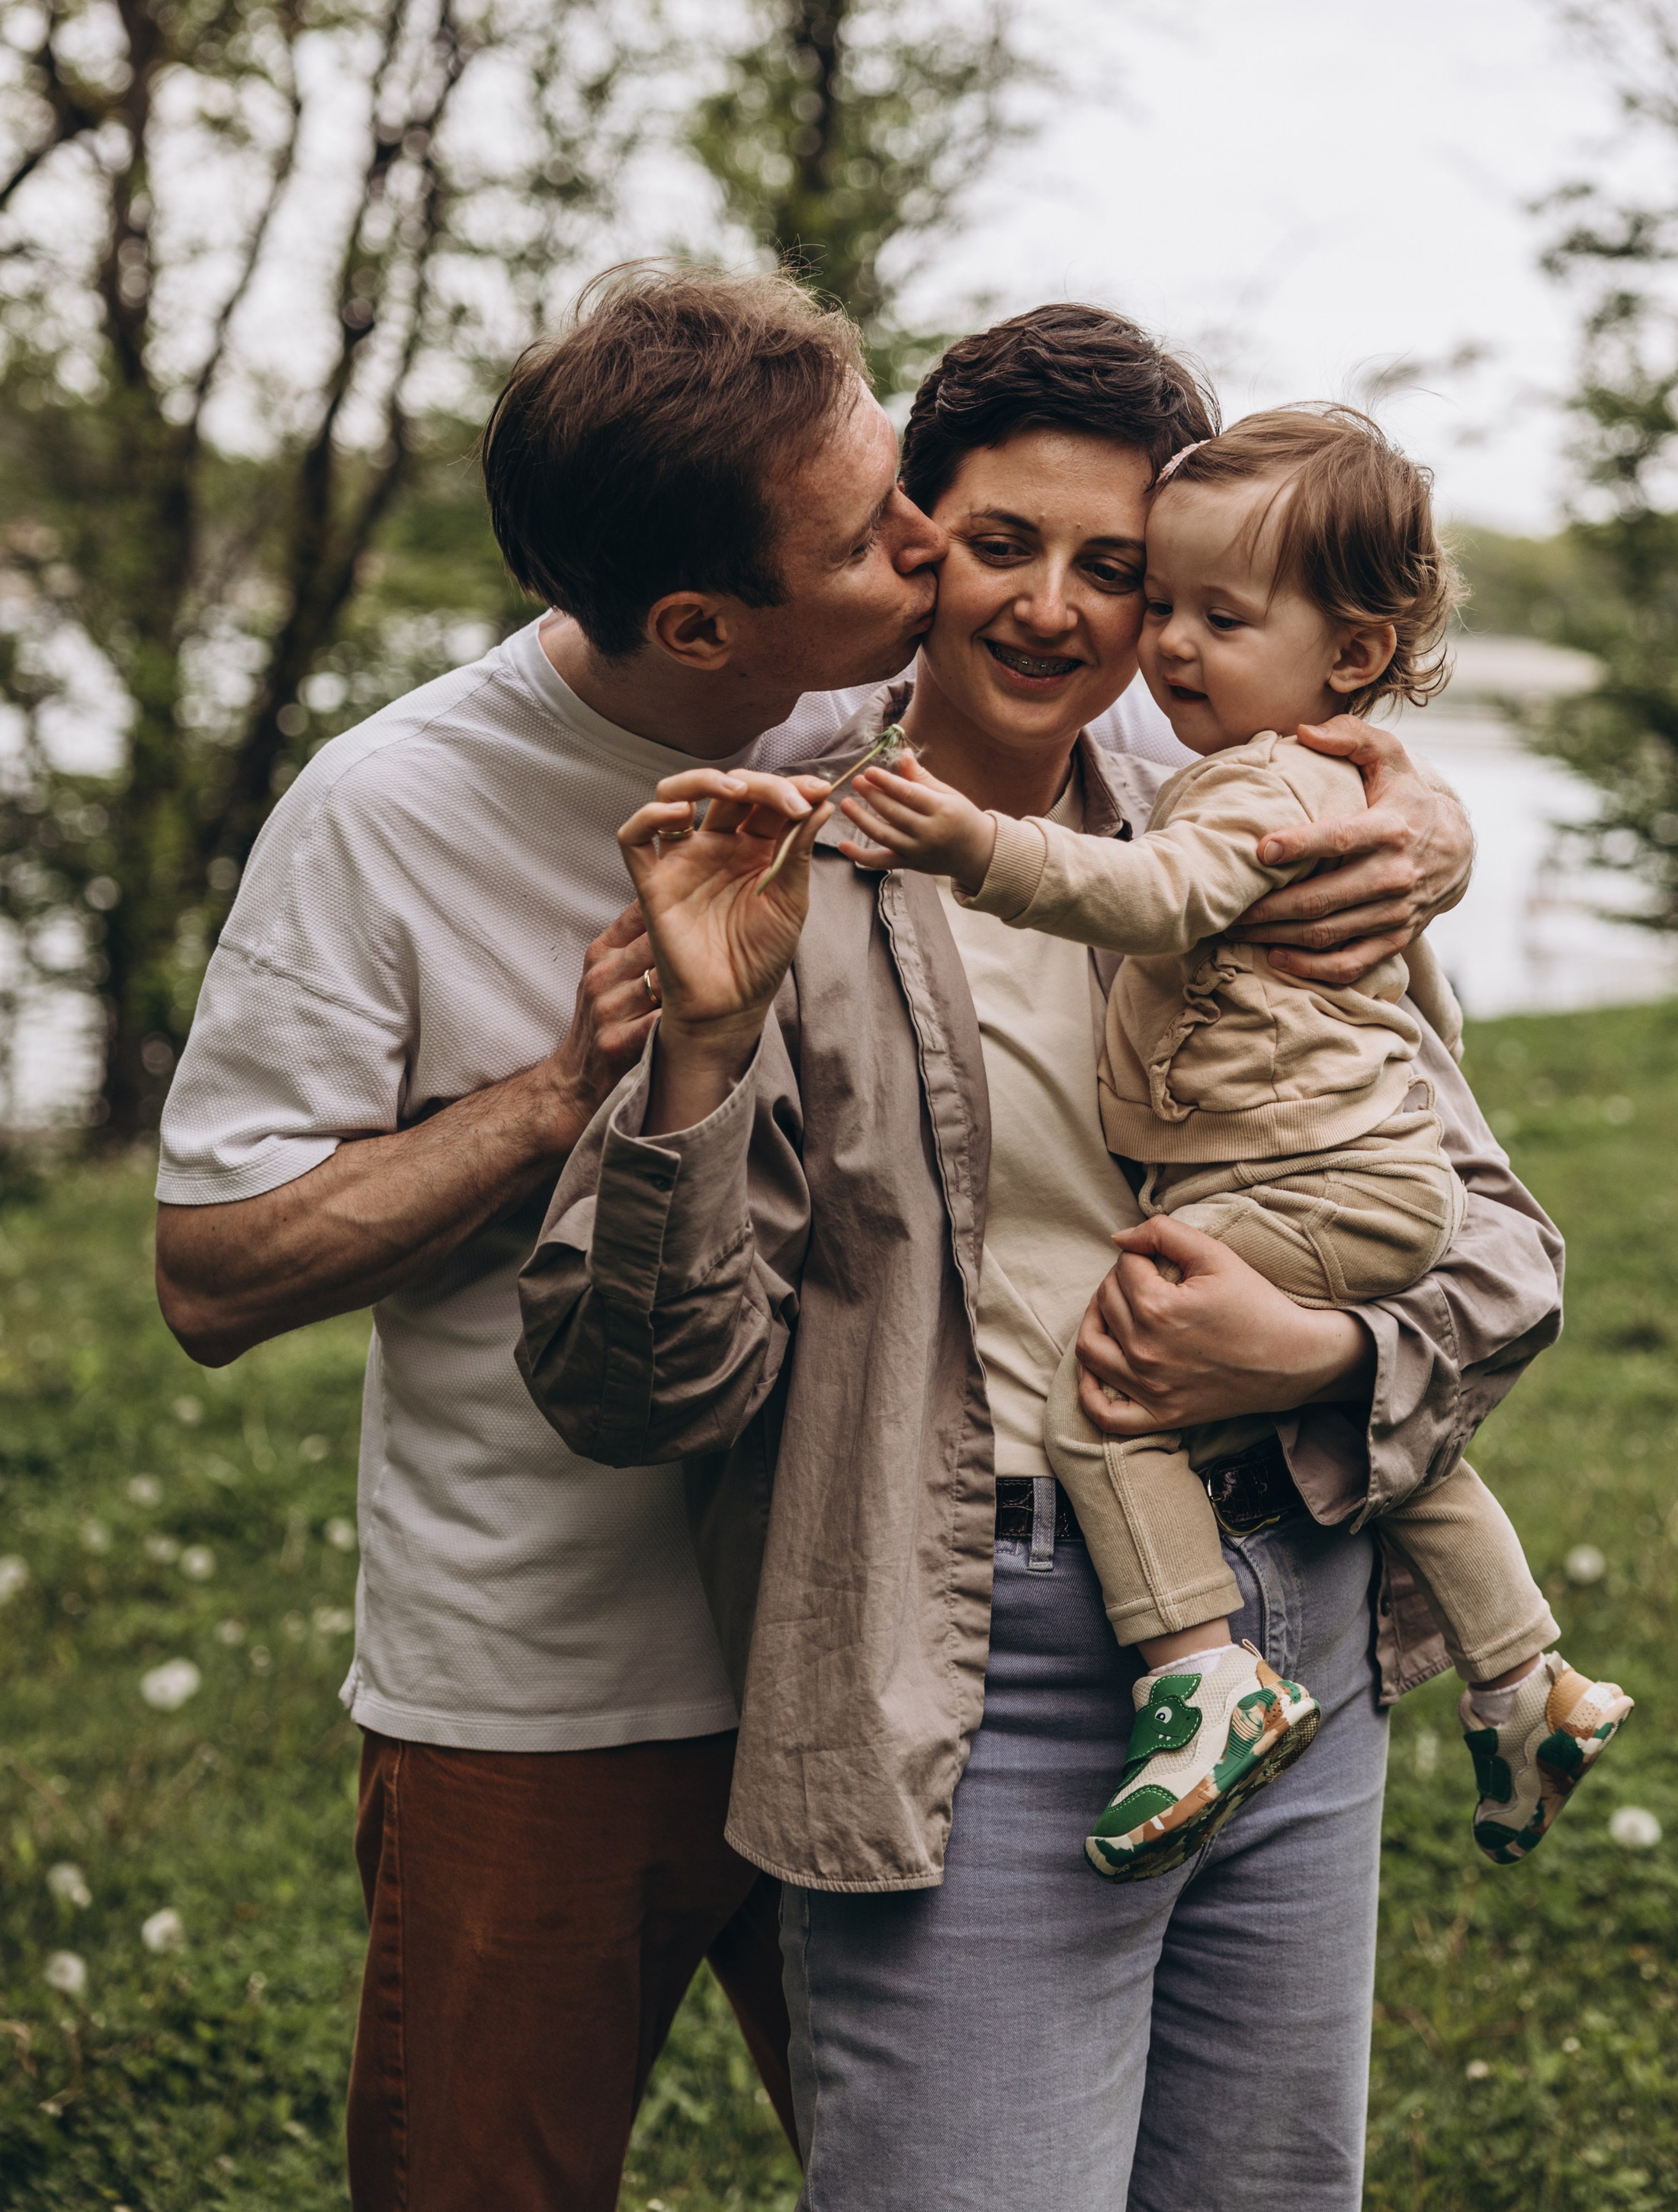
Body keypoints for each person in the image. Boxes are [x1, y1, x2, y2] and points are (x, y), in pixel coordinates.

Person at [152, 274, 1470, 2212]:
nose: (966, 571)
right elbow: (217, 1272)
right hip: (562, 1668)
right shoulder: (426, 810)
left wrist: (1387, 786)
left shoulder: (1010, 783)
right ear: (716, 624)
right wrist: (577, 1083)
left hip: (922, 1638)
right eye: (904, 535)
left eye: (1098, 567)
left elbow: (1418, 1149)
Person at [518, 304, 1567, 2212]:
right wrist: (686, 1056)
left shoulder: (1280, 853)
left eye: (1120, 572)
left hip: (1296, 1605)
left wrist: (1315, 1356)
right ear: (914, 538)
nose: (1059, 614)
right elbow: (635, 1387)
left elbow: (1498, 1257)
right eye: (1002, 544)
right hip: (976, 1666)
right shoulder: (792, 873)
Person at [839, 403, 1631, 1880]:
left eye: (1212, 610)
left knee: (1108, 1394)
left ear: (1348, 655)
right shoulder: (1329, 785)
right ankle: (1529, 1680)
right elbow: (1415, 1002)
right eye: (1173, 607)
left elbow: (1145, 901)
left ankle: (1198, 1678)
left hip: (1316, 1184)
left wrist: (967, 845)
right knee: (1405, 1462)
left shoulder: (1249, 793)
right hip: (1367, 1173)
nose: (1166, 647)